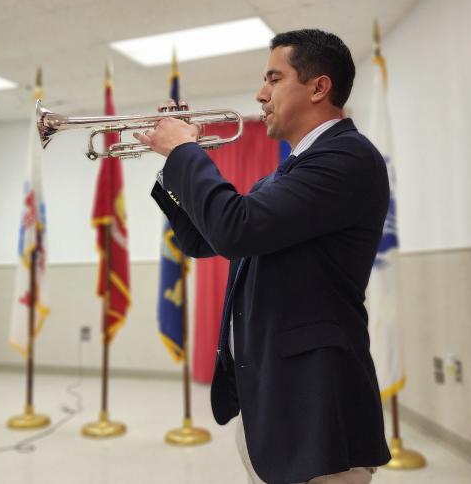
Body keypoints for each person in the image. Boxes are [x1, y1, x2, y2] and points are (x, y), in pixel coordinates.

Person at [137, 29, 391, 484]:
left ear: (318, 87)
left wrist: (185, 152)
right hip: (272, 399)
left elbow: (236, 227)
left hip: (316, 407)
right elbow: (205, 240)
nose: (260, 93)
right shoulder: (288, 173)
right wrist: (171, 163)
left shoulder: (346, 158)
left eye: (274, 78)